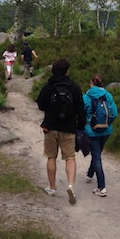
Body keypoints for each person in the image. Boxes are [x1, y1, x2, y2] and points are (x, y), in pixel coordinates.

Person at [37, 58, 86, 205]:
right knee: (70, 158)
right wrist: (81, 127)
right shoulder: (74, 88)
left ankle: (52, 187)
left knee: (51, 157)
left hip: (50, 127)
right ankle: (70, 185)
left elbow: (40, 104)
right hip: (69, 128)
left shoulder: (48, 86)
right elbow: (81, 110)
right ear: (67, 71)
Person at [83, 74, 118, 197]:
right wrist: (107, 124)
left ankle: (101, 187)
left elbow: (81, 114)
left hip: (91, 131)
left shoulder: (86, 97)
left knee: (96, 156)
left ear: (91, 83)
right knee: (97, 153)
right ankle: (89, 175)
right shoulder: (108, 95)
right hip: (106, 131)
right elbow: (115, 113)